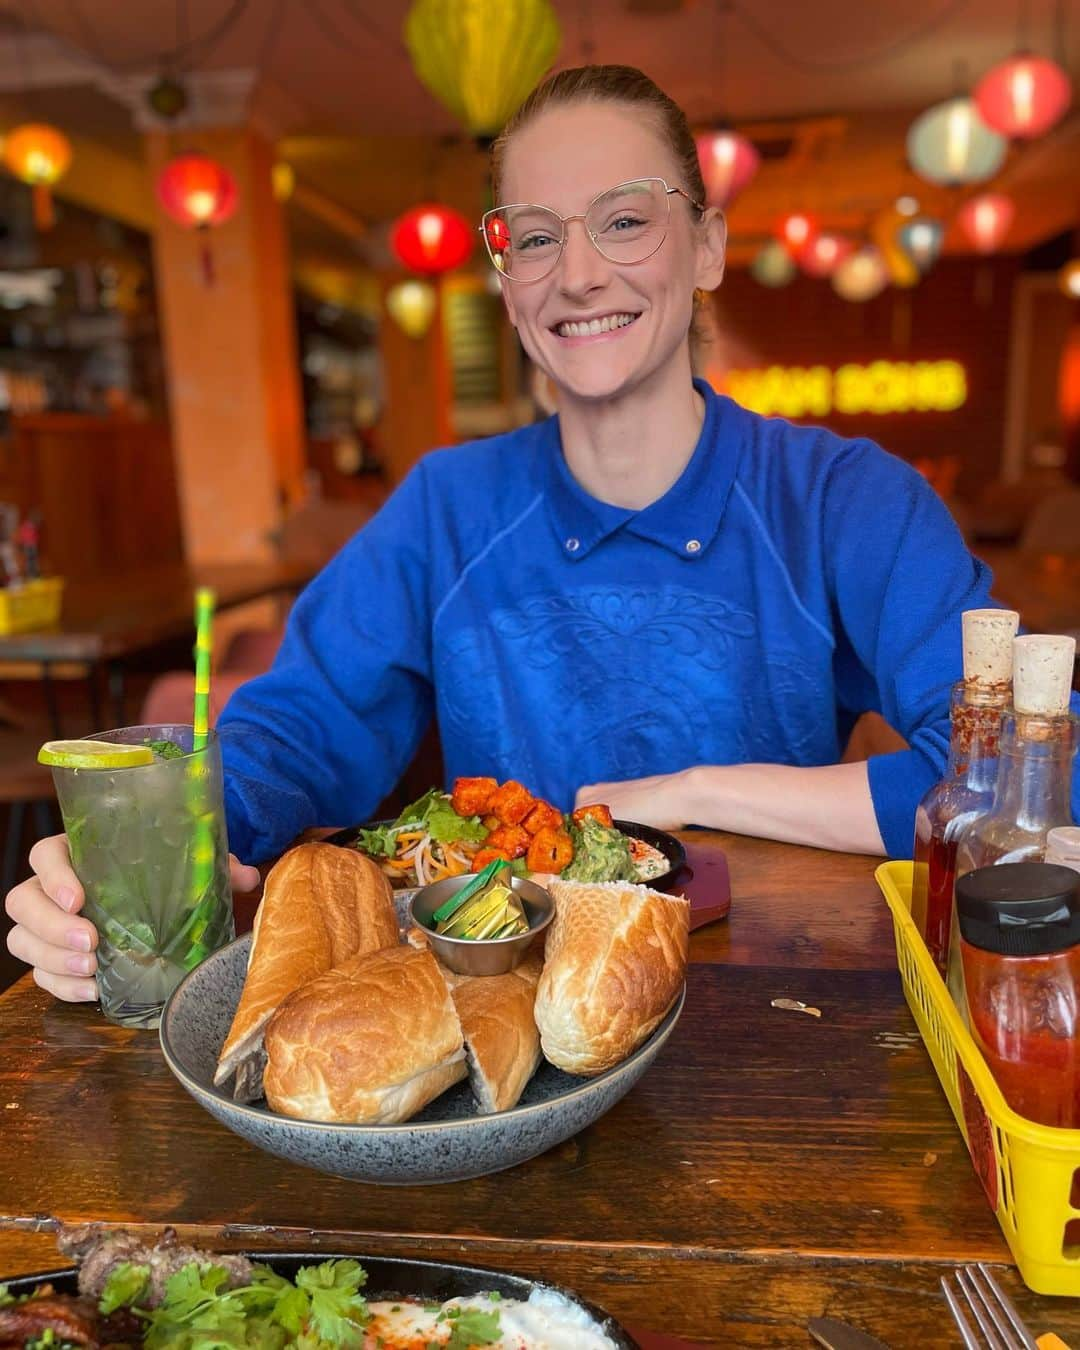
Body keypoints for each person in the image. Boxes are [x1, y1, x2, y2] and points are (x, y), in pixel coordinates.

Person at [8, 64, 1074, 1005]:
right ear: (508, 284)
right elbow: (299, 729)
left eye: (624, 219)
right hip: (503, 1016)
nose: (576, 274)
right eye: (533, 236)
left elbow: (1039, 776)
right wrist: (172, 848)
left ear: (705, 246)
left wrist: (700, 791)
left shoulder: (844, 499)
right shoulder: (446, 506)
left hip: (772, 1007)